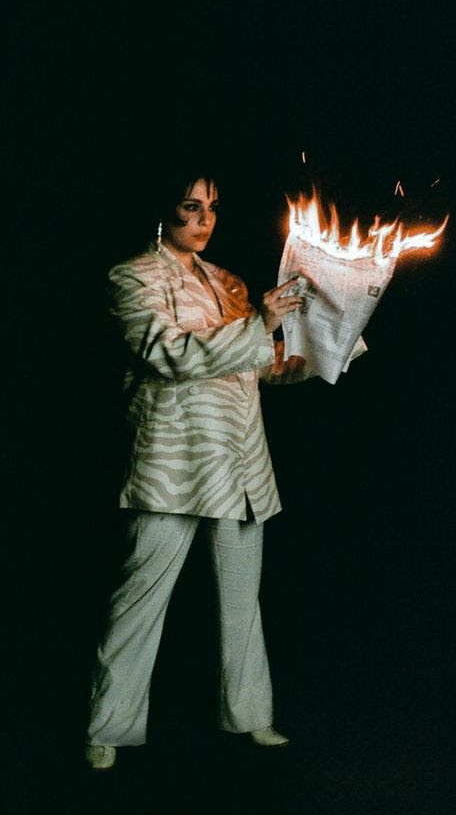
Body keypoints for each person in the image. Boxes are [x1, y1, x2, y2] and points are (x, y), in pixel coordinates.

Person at [84, 167, 362, 770]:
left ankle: (251, 716)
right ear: (164, 209)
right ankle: (107, 727)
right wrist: (260, 323)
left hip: (240, 465)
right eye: (191, 207)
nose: (205, 219)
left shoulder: (230, 283)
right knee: (139, 602)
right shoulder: (132, 276)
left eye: (211, 207)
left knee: (242, 602)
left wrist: (334, 338)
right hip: (174, 463)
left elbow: (262, 367)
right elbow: (168, 353)